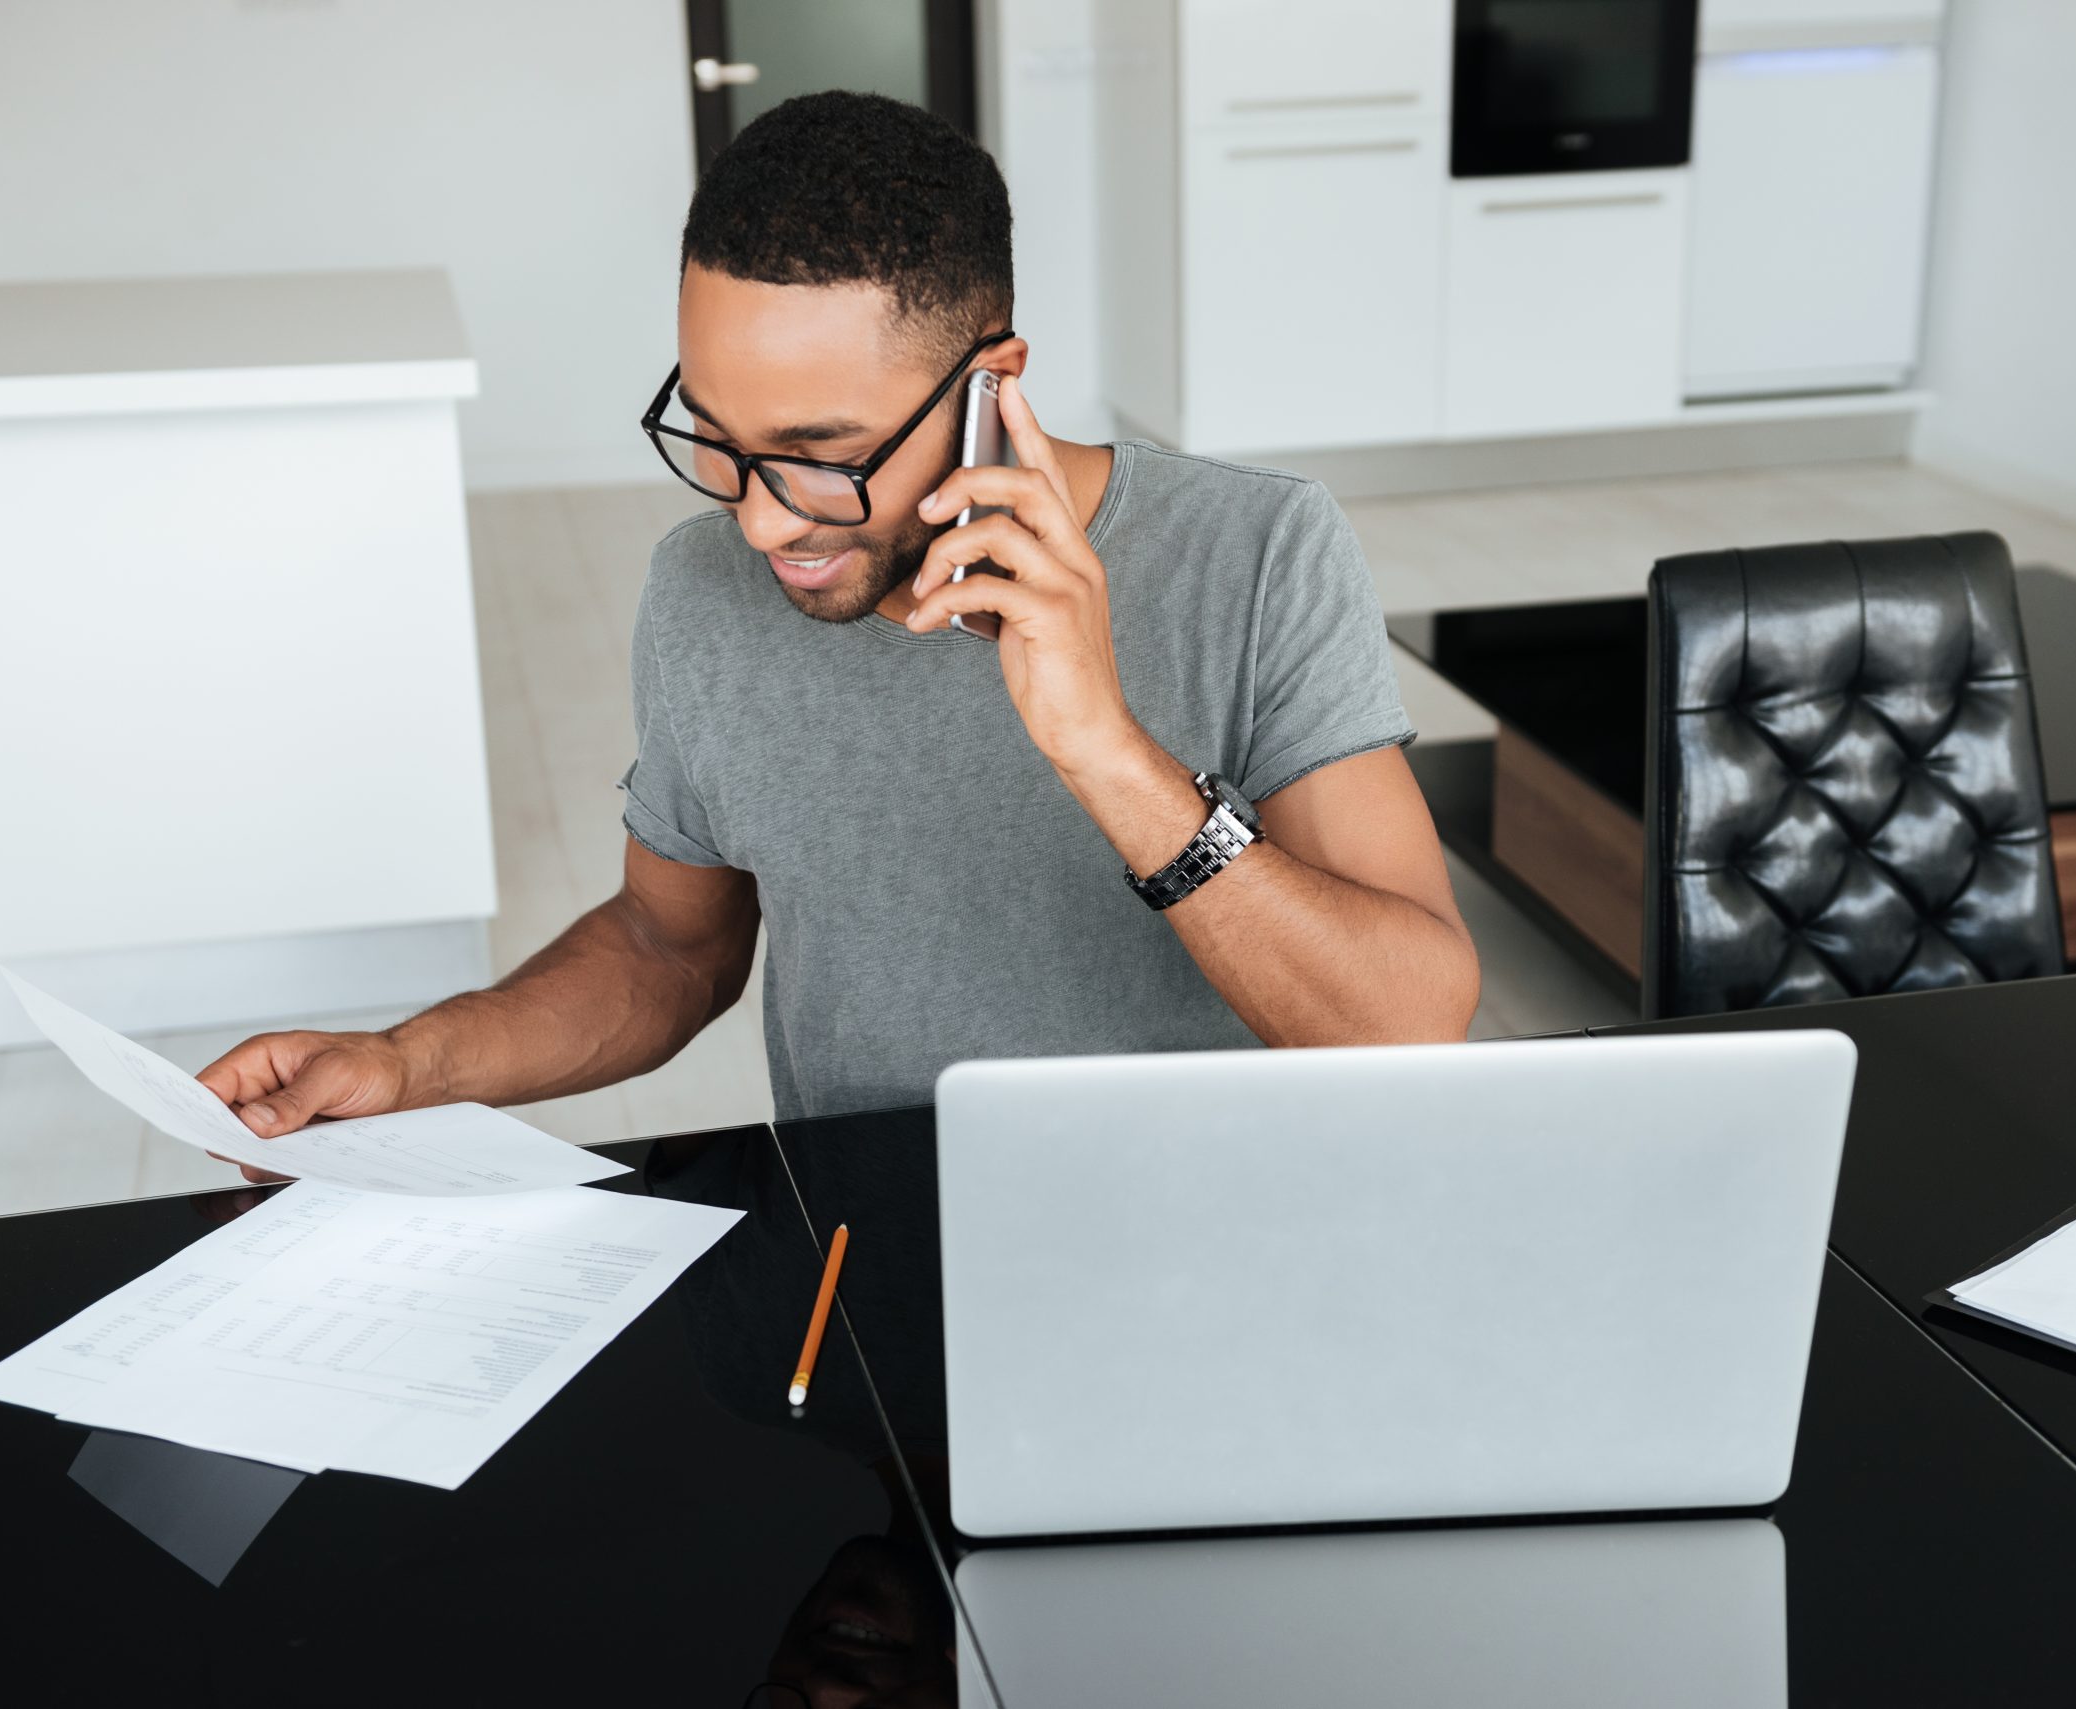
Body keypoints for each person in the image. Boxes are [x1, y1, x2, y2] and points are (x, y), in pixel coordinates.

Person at [199, 91, 1478, 1166]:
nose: (760, 525)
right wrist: (406, 1061)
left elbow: (1406, 1027)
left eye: (825, 456)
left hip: (1225, 1246)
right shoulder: (700, 588)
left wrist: (1104, 748)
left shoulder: (1255, 552)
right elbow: (667, 944)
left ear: (994, 382)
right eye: (719, 438)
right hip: (866, 1265)